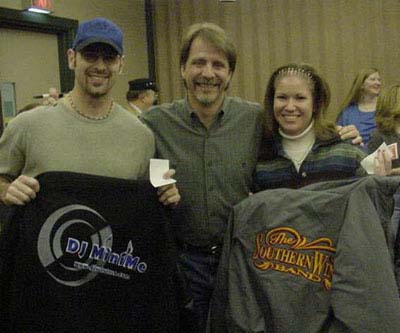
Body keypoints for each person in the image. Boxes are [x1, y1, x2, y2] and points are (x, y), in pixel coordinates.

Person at [142, 23, 362, 332]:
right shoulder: (153, 123)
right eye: (199, 62)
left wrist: (336, 134)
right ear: (182, 68)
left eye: (218, 65)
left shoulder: (255, 119)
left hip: (241, 260)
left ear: (230, 74)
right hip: (183, 261)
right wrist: (156, 185)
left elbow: (296, 122)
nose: (208, 72)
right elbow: (137, 169)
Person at [0, 17, 179, 207]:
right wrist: (6, 191)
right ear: (71, 58)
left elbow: (147, 200)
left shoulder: (141, 136)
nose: (100, 66)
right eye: (90, 55)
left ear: (121, 64)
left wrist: (166, 194)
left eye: (109, 58)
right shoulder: (27, 125)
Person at [255, 63, 369, 190]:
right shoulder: (259, 158)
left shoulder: (345, 149)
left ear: (315, 104)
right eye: (282, 98)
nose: (290, 107)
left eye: (300, 98)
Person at [335, 68, 382, 148]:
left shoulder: (386, 108)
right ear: (361, 84)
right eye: (373, 79)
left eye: (379, 80)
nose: (377, 83)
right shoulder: (348, 112)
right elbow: (338, 136)